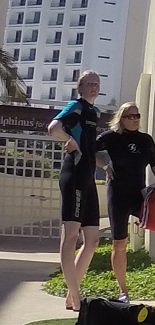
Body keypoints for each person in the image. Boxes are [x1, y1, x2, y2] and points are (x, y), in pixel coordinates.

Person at [101, 101, 155, 296]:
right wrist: (105, 166)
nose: (134, 119)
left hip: (140, 197)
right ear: (121, 118)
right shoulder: (111, 137)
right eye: (129, 116)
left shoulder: (145, 140)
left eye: (137, 116)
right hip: (118, 196)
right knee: (119, 244)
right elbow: (91, 151)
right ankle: (123, 290)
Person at [48, 71, 104, 312]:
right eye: (89, 84)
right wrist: (67, 140)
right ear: (80, 87)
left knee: (92, 240)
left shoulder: (95, 112)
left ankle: (73, 293)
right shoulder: (76, 106)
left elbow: (91, 149)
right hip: (73, 176)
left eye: (97, 84)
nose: (93, 87)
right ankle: (76, 297)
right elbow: (53, 127)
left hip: (89, 178)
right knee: (71, 236)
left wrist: (106, 166)